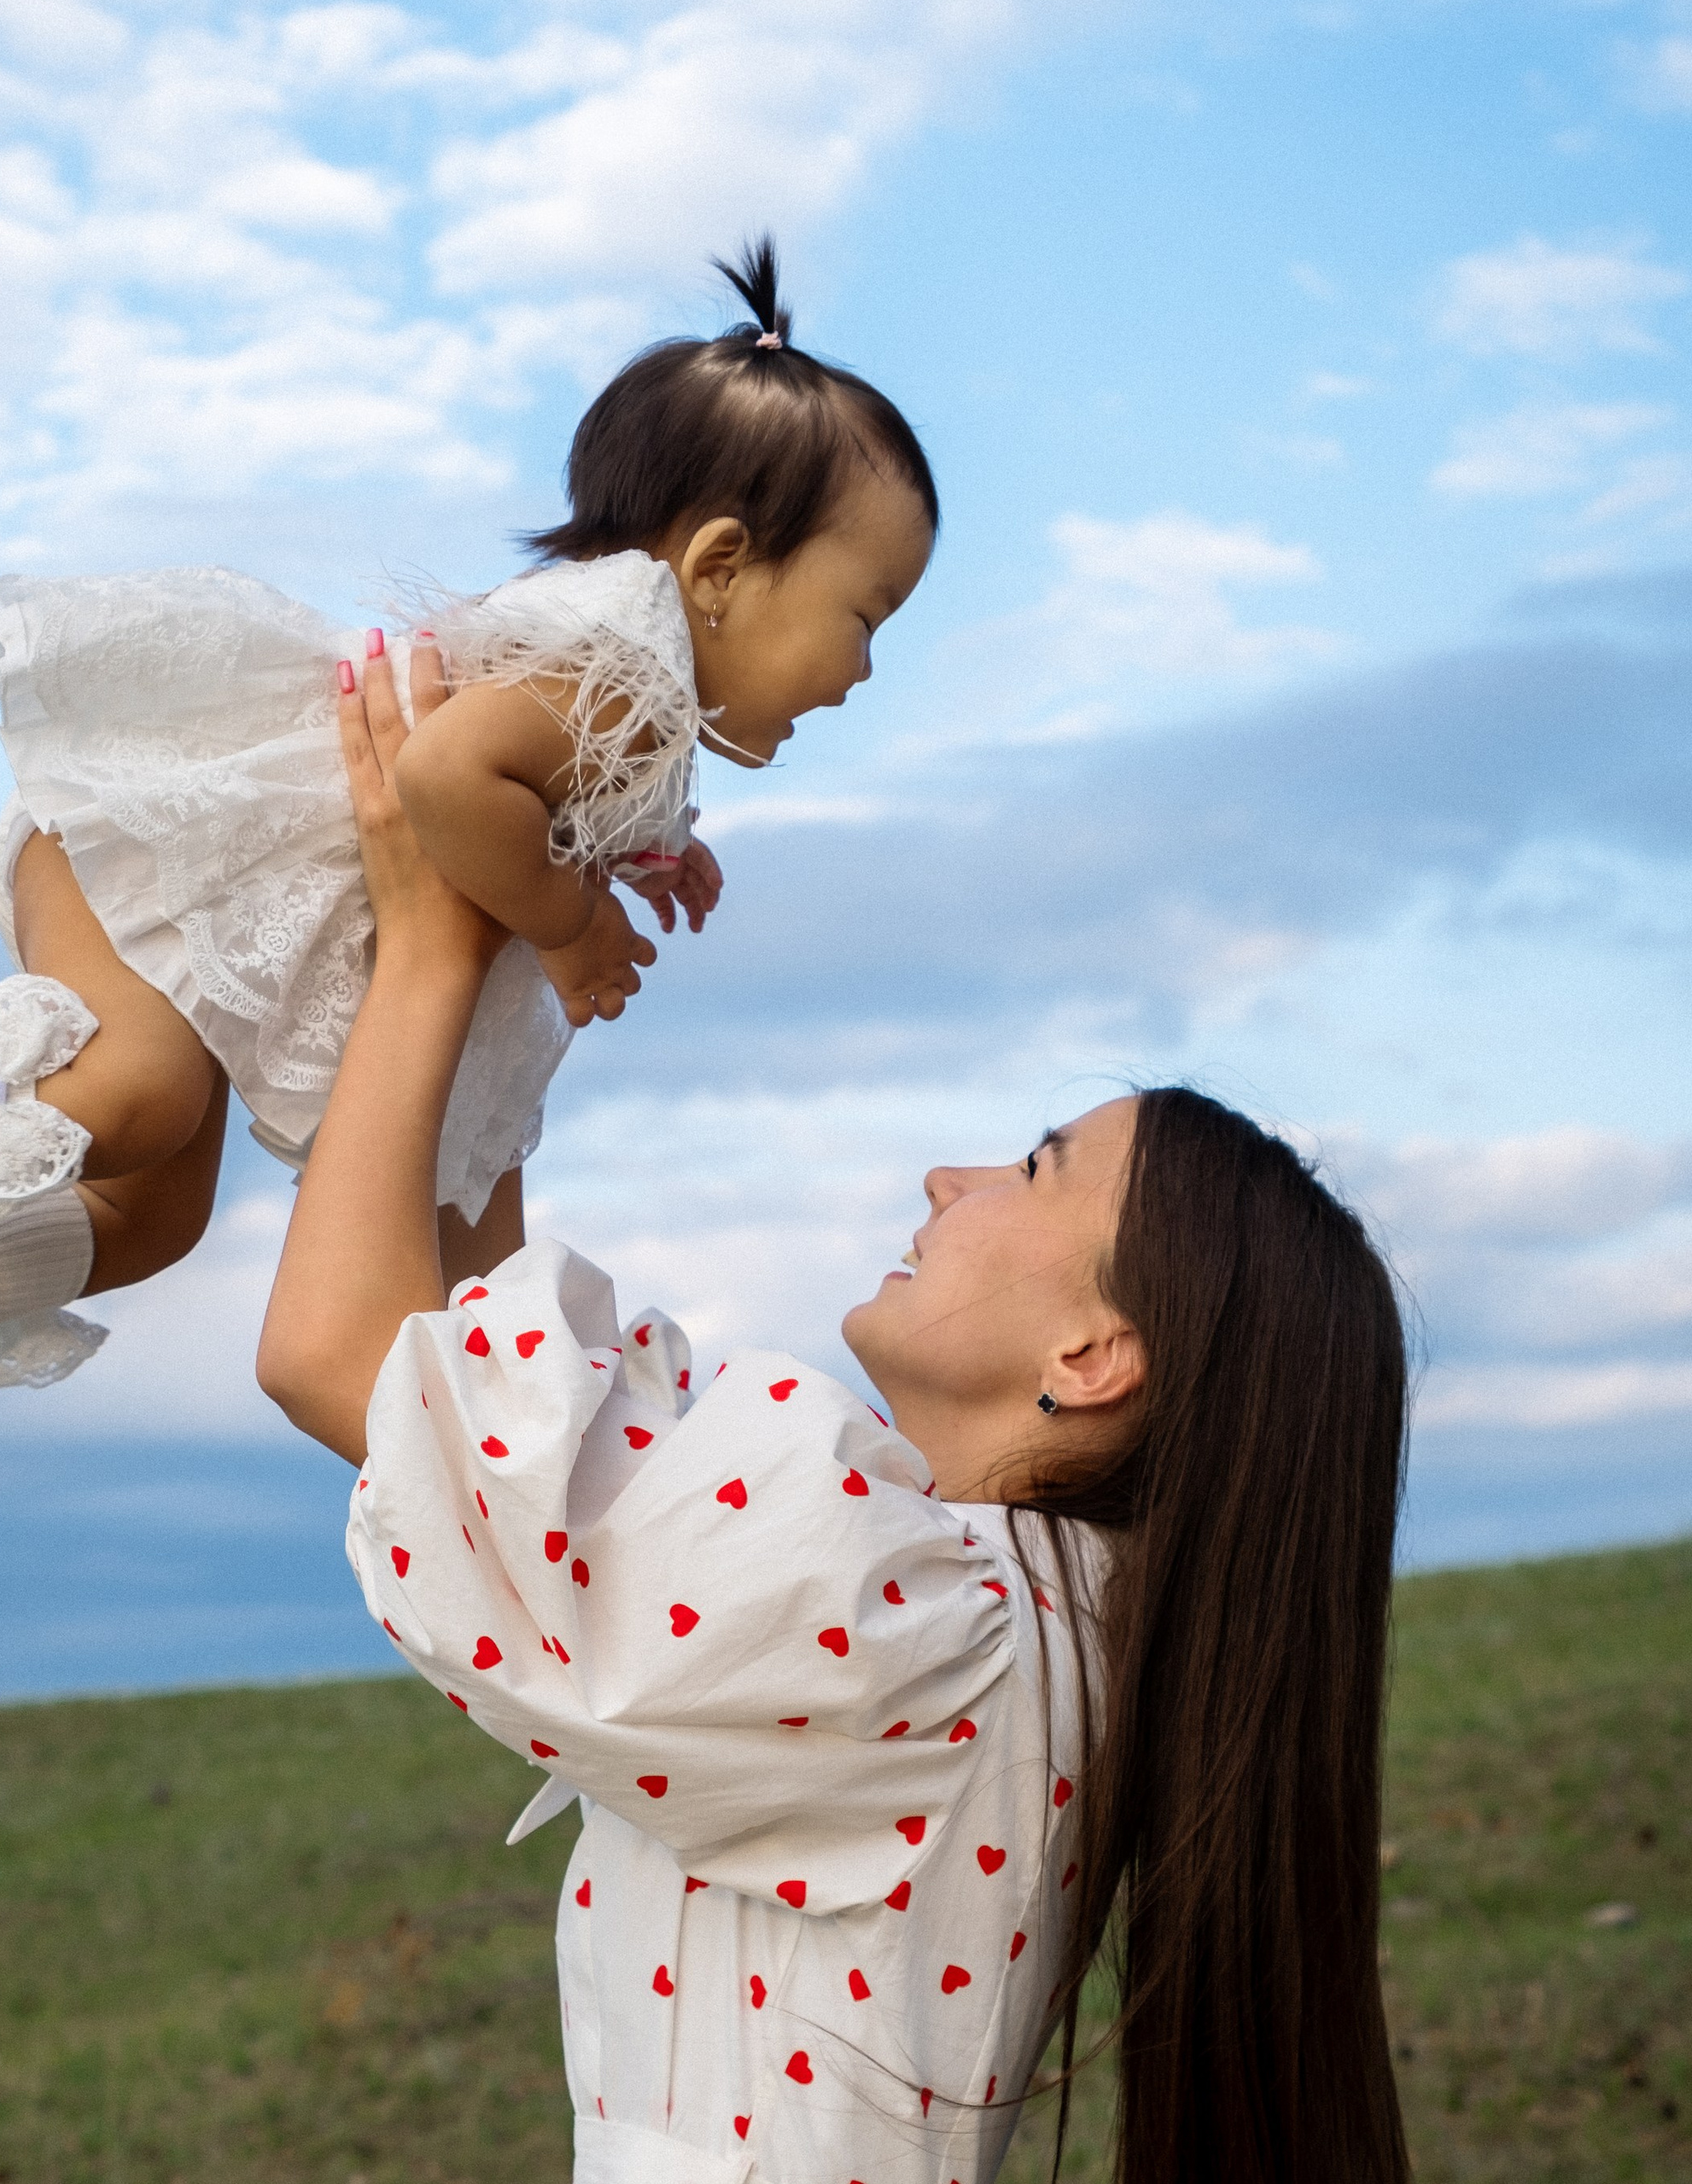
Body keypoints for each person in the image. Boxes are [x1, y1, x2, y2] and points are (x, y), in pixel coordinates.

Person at [256, 644, 1414, 2183]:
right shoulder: (1036, 1625)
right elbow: (468, 1375)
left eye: (1037, 1165)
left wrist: (422, 948)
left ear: (1094, 1357)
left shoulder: (922, 1632)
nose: (952, 1178)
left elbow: (342, 1357)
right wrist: (504, 979)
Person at [0, 239, 937, 1474]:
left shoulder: (626, 685)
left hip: (239, 880)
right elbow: (445, 776)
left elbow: (533, 775)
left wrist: (642, 857)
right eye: (866, 616)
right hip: (186, 851)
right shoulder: (627, 665)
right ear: (722, 566)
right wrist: (569, 926)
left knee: (157, 1208)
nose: (864, 670)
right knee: (139, 1093)